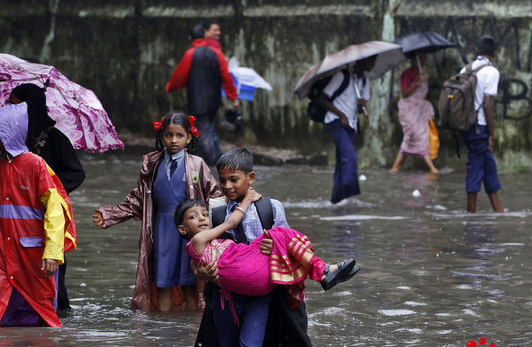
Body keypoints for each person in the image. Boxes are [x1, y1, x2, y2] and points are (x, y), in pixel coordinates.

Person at [190, 148, 323, 347]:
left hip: (266, 289)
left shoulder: (271, 208)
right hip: (229, 293)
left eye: (234, 179)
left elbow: (292, 245)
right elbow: (199, 252)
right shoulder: (215, 212)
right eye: (222, 181)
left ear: (251, 177)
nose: (227, 186)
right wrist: (200, 272)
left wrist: (277, 248)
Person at [92, 112, 224, 312]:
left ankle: (192, 328)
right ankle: (162, 329)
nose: (173, 140)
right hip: (161, 230)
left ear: (189, 137)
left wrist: (223, 225)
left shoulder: (197, 165)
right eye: (168, 135)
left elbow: (215, 197)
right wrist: (111, 214)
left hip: (192, 232)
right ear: (161, 137)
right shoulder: (151, 165)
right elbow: (139, 199)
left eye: (179, 135)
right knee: (163, 282)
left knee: (192, 282)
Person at [0, 102, 77, 328]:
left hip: (32, 255)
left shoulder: (35, 165)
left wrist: (52, 253)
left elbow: (55, 212)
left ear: (8, 132)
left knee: (40, 311)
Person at [176, 195, 359, 299]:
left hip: (247, 273)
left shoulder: (203, 247)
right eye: (193, 216)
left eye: (204, 214)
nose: (201, 218)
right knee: (280, 233)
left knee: (280, 237)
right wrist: (248, 198)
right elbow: (231, 223)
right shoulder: (198, 240)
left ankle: (323, 271)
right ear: (182, 229)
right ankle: (323, 271)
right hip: (245, 271)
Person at [9, 83, 86, 311]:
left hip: (48, 212)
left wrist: (45, 188)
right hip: (20, 214)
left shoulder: (55, 138)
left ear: (29, 106)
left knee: (53, 267)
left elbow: (77, 173)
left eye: (15, 104)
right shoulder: (13, 137)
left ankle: (57, 312)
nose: (11, 109)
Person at [165, 25, 239, 166]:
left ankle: (210, 162)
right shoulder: (216, 53)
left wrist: (170, 87)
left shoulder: (190, 54)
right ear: (204, 36)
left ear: (190, 38)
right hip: (214, 100)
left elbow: (179, 76)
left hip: (197, 100)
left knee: (203, 130)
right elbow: (226, 76)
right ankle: (210, 158)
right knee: (207, 127)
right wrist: (232, 96)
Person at [318, 56, 376, 204]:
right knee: (351, 157)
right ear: (361, 61)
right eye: (370, 60)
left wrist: (362, 105)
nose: (373, 64)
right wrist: (341, 114)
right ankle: (348, 197)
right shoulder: (342, 75)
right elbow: (322, 99)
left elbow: (360, 104)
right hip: (336, 120)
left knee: (342, 160)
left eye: (374, 61)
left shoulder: (364, 81)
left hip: (351, 123)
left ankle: (336, 199)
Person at [461, 35, 503, 213]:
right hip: (480, 127)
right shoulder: (492, 72)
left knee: (488, 167)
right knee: (476, 169)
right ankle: (470, 215)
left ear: (477, 51)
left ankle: (499, 212)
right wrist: (491, 134)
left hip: (467, 126)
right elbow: (487, 104)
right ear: (494, 53)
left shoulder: (466, 69)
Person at [390, 53, 440, 174]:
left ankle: (395, 167)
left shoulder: (424, 74)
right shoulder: (407, 74)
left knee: (421, 135)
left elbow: (423, 94)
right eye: (420, 58)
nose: (423, 60)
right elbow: (405, 94)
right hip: (409, 110)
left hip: (420, 111)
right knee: (413, 135)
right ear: (414, 61)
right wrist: (417, 83)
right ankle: (432, 168)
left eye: (424, 58)